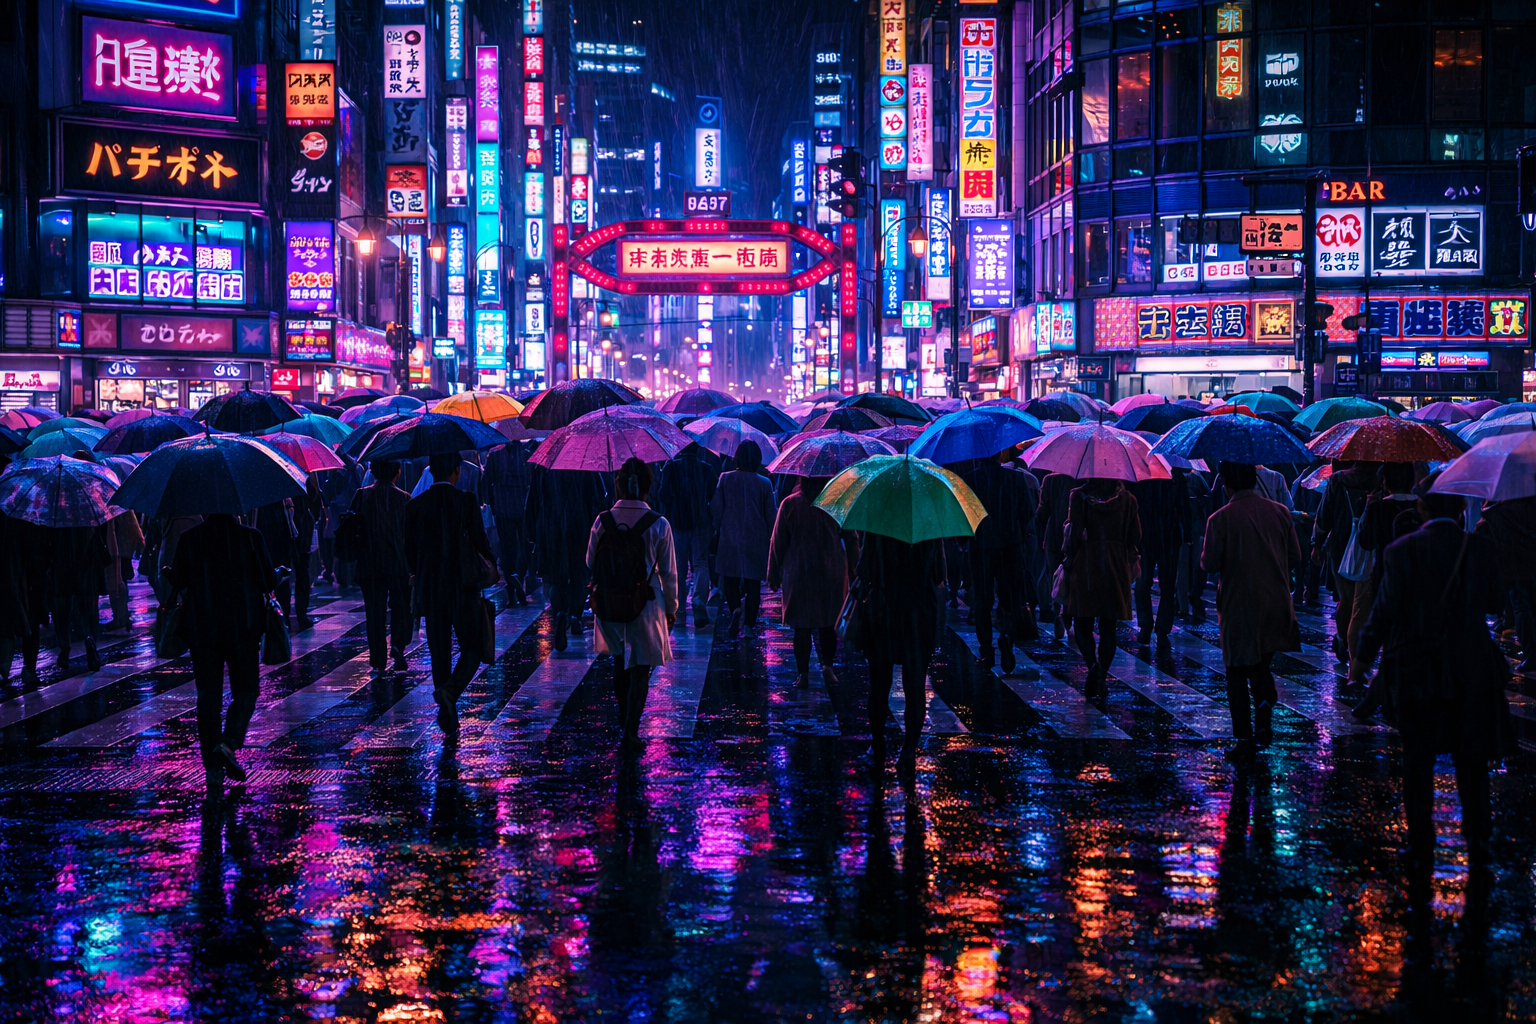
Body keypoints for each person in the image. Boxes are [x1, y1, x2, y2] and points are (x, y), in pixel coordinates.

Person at [1353, 490, 1513, 897]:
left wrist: (1362, 657)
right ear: (1461, 508)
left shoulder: (1403, 550)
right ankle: (1478, 844)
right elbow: (1496, 603)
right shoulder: (1481, 548)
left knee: (1417, 760)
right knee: (1472, 762)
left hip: (1417, 669)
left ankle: (1421, 843)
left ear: (1421, 507)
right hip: (1472, 669)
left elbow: (1384, 610)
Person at [166, 512, 278, 800]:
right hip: (242, 627)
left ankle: (212, 769)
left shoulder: (189, 539)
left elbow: (177, 579)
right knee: (247, 691)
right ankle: (228, 743)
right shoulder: (251, 537)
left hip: (202, 629)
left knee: (208, 696)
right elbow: (268, 581)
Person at [1200, 462, 1302, 760]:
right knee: (1260, 665)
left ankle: (1245, 737)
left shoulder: (1220, 518)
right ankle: (1265, 714)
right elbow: (1295, 556)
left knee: (1236, 673)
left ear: (1224, 483)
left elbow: (1209, 564)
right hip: (1276, 602)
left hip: (1239, 606)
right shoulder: (1281, 512)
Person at [586, 457, 678, 751]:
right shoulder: (659, 524)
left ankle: (622, 715)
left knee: (619, 663)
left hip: (610, 601)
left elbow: (590, 562)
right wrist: (672, 609)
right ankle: (631, 729)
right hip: (645, 604)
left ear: (619, 484)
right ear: (649, 486)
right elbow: (669, 572)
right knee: (641, 669)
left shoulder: (603, 520)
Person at [404, 451, 496, 733]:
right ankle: (451, 694)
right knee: (473, 647)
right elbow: (481, 541)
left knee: (439, 651)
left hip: (431, 589)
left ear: (431, 471)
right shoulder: (466, 501)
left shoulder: (416, 505)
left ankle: (447, 713)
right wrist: (492, 565)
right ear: (456, 471)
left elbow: (409, 551)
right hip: (464, 585)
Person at [853, 532, 946, 775]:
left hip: (884, 612)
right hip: (919, 614)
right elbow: (939, 573)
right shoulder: (929, 523)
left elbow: (863, 570)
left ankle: (878, 744)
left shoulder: (879, 522)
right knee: (915, 687)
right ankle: (908, 751)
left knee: (879, 684)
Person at [767, 476, 859, 687]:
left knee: (802, 626)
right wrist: (855, 570)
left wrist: (773, 572)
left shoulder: (790, 503)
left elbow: (778, 540)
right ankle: (828, 666)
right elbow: (852, 539)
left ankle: (803, 674)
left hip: (800, 572)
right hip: (832, 571)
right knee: (828, 623)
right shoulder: (837, 503)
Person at [961, 446, 1039, 672]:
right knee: (1010, 598)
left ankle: (986, 650)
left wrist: (964, 541)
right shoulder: (1015, 479)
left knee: (983, 602)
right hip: (1011, 548)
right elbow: (1027, 513)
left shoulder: (969, 480)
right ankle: (1007, 636)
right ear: (999, 455)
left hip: (982, 548)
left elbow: (965, 516)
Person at [1062, 478, 1141, 701]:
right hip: (1116, 567)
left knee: (1082, 624)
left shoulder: (1078, 497)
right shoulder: (1128, 501)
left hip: (1086, 565)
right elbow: (1136, 537)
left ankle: (1093, 665)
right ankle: (1102, 676)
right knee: (1108, 628)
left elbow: (1074, 535)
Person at [527, 464, 609, 651]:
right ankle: (575, 616)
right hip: (580, 528)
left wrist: (532, 531)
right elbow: (599, 499)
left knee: (556, 578)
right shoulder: (586, 464)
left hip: (551, 529)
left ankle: (560, 613)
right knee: (579, 576)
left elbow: (532, 499)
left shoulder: (544, 467)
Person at [1310, 461, 1381, 666]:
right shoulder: (1381, 482)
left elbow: (1324, 516)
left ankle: (1343, 640)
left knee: (1345, 599)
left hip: (1340, 544)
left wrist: (1317, 545)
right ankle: (1359, 647)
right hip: (1370, 545)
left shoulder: (1338, 479)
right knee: (1363, 602)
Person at [350, 459, 413, 674]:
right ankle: (398, 645)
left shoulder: (361, 495)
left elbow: (352, 528)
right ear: (397, 471)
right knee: (400, 608)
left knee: (374, 613)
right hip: (397, 564)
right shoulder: (405, 499)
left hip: (370, 564)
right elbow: (410, 537)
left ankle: (378, 658)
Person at [710, 440, 776, 638]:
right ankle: (748, 627)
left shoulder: (725, 478)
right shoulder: (765, 483)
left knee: (729, 579)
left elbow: (716, 509)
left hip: (730, 536)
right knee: (753, 584)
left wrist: (718, 526)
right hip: (756, 539)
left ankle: (735, 609)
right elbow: (771, 516)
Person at [655, 441, 721, 627]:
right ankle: (699, 602)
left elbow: (663, 496)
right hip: (701, 523)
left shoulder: (670, 468)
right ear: (698, 449)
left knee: (679, 565)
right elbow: (713, 499)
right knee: (701, 563)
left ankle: (679, 606)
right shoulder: (706, 469)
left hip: (677, 522)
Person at [1474, 490, 1536, 676]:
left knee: (1521, 607)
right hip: (1529, 562)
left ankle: (1532, 655)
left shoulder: (1499, 509)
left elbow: (1482, 530)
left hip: (1513, 564)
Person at [1130, 469, 1188, 647]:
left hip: (1152, 536)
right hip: (1163, 536)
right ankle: (1157, 628)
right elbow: (1183, 504)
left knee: (1148, 583)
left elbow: (1182, 504)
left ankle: (1153, 626)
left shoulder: (1140, 473)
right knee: (1160, 585)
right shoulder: (1174, 474)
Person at [256, 480, 320, 628]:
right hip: (286, 531)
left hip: (288, 531)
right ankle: (293, 616)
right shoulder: (298, 476)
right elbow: (314, 498)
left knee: (292, 575)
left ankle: (291, 616)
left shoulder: (286, 477)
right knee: (292, 574)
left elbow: (313, 498)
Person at [47, 523, 110, 673]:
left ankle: (64, 646)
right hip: (87, 564)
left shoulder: (55, 513)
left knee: (61, 609)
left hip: (62, 564)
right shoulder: (90, 508)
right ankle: (90, 642)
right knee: (88, 610)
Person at [482, 440, 536, 603]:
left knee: (508, 550)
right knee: (526, 547)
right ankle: (518, 576)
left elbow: (486, 482)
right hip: (522, 509)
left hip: (503, 508)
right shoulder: (527, 455)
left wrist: (492, 503)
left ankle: (512, 587)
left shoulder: (494, 455)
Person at [1035, 470, 1076, 638]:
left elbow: (1042, 512)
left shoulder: (1049, 480)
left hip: (1053, 536)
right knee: (1072, 576)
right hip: (1074, 535)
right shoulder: (1081, 481)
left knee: (1054, 575)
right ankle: (1067, 613)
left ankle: (1055, 609)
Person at [102, 510, 144, 632]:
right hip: (125, 548)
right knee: (121, 581)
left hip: (118, 550)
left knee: (117, 582)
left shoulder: (113, 507)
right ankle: (122, 615)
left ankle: (120, 617)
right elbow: (133, 525)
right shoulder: (122, 505)